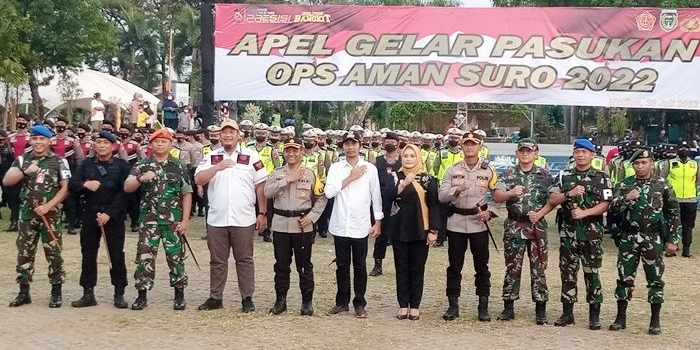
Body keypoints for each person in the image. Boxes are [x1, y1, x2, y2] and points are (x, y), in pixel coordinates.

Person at [194, 119, 268, 312]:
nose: (227, 135)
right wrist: (217, 168)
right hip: (217, 218)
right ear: (219, 135)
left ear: (239, 135)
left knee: (244, 259)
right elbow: (198, 179)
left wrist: (262, 212)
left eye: (231, 132)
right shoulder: (211, 157)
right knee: (217, 260)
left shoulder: (251, 156)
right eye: (224, 132)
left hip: (243, 218)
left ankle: (247, 298)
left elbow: (260, 186)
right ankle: (215, 297)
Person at [608, 149, 681, 335]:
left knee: (655, 279)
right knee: (624, 277)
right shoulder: (625, 184)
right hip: (629, 237)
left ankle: (655, 320)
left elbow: (673, 213)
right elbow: (611, 208)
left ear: (652, 163)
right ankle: (620, 318)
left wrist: (673, 239)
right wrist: (626, 197)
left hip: (653, 237)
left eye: (644, 162)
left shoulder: (663, 184)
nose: (640, 166)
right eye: (637, 163)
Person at [124, 128, 193, 311]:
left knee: (176, 258)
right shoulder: (142, 164)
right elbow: (127, 187)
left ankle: (179, 294)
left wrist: (185, 221)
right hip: (149, 221)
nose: (160, 144)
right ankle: (142, 295)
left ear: (171, 144)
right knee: (144, 257)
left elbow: (186, 193)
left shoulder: (179, 165)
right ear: (151, 144)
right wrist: (140, 178)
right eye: (156, 141)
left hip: (173, 221)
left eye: (164, 141)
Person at [3, 125, 71, 308]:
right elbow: (7, 180)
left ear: (49, 141)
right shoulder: (21, 159)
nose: (38, 142)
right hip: (27, 215)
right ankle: (24, 292)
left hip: (50, 216)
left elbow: (65, 188)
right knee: (24, 253)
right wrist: (25, 171)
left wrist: (48, 206)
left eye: (42, 139)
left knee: (54, 253)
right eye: (35, 139)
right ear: (30, 140)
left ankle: (56, 291)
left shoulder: (59, 161)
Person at [549, 138, 612, 330]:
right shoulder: (563, 175)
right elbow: (552, 198)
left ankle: (594, 315)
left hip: (591, 233)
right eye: (577, 151)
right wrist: (570, 193)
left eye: (585, 152)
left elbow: (607, 203)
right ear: (573, 154)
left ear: (592, 155)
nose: (581, 155)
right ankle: (567, 314)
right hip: (568, 232)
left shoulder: (602, 177)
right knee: (567, 272)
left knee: (591, 272)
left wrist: (585, 213)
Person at [492, 138, 555, 325]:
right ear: (517, 153)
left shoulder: (545, 175)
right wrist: (510, 193)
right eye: (522, 151)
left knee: (539, 269)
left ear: (536, 153)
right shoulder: (508, 174)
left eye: (529, 151)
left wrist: (541, 213)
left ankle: (541, 308)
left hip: (536, 227)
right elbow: (497, 195)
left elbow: (553, 200)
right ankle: (508, 306)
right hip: (514, 226)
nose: (525, 154)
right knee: (512, 267)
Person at [438, 131, 498, 322]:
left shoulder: (489, 170)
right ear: (462, 146)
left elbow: (499, 196)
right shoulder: (452, 169)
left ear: (480, 146)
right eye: (466, 144)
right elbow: (441, 196)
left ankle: (483, 307)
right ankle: (452, 306)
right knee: (454, 267)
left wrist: (490, 213)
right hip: (456, 224)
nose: (470, 147)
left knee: (482, 267)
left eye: (474, 144)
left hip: (478, 224)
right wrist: (457, 189)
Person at [264, 138, 328, 316]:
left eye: (295, 150)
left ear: (301, 152)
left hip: (302, 226)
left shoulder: (310, 174)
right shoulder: (276, 173)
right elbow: (267, 193)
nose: (291, 154)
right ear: (284, 153)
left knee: (304, 265)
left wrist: (312, 217)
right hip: (281, 226)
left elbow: (323, 197)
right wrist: (288, 179)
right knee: (281, 265)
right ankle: (280, 301)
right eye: (288, 150)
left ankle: (307, 302)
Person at [324, 130, 383, 318]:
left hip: (360, 224)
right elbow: (329, 192)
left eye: (354, 143)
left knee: (359, 266)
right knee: (342, 265)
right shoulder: (335, 168)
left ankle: (359, 302)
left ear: (360, 145)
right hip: (341, 224)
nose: (350, 147)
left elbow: (376, 196)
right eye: (347, 144)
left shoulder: (370, 169)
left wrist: (378, 221)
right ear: (343, 146)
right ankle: (342, 302)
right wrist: (351, 177)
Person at [69, 131, 131, 308]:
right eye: (99, 142)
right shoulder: (86, 164)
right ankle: (88, 293)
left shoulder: (122, 166)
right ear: (94, 145)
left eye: (106, 142)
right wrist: (84, 184)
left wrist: (109, 214)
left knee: (116, 255)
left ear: (113, 146)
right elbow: (72, 184)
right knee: (88, 254)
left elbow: (124, 193)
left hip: (113, 216)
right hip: (90, 214)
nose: (102, 145)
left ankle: (119, 292)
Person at [386, 144, 441, 320]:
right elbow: (387, 197)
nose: (409, 159)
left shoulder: (428, 179)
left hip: (421, 229)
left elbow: (434, 205)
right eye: (406, 156)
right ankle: (403, 305)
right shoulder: (394, 176)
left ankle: (415, 305)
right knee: (401, 267)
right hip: (399, 228)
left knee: (417, 268)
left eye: (412, 156)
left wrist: (433, 230)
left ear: (418, 158)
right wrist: (403, 183)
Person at [369, 132, 402, 277]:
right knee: (380, 234)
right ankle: (378, 265)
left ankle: (400, 266)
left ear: (398, 144)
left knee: (399, 235)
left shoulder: (403, 161)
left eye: (392, 142)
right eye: (387, 141)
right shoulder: (377, 161)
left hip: (399, 203)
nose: (389, 144)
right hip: (381, 201)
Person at [660, 141, 699, 258]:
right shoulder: (670, 163)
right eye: (681, 147)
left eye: (686, 148)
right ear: (677, 150)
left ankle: (686, 249)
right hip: (673, 200)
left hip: (690, 200)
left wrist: (691, 189)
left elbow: (698, 180)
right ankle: (671, 247)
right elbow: (662, 179)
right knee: (672, 224)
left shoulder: (695, 164)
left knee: (688, 226)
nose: (683, 150)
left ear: (689, 150)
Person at [6, 114, 33, 232]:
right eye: (19, 120)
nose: (21, 122)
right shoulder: (10, 137)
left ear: (28, 123)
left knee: (28, 196)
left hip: (28, 168)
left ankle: (28, 221)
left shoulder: (31, 137)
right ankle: (14, 221)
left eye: (23, 120)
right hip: (15, 168)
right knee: (13, 195)